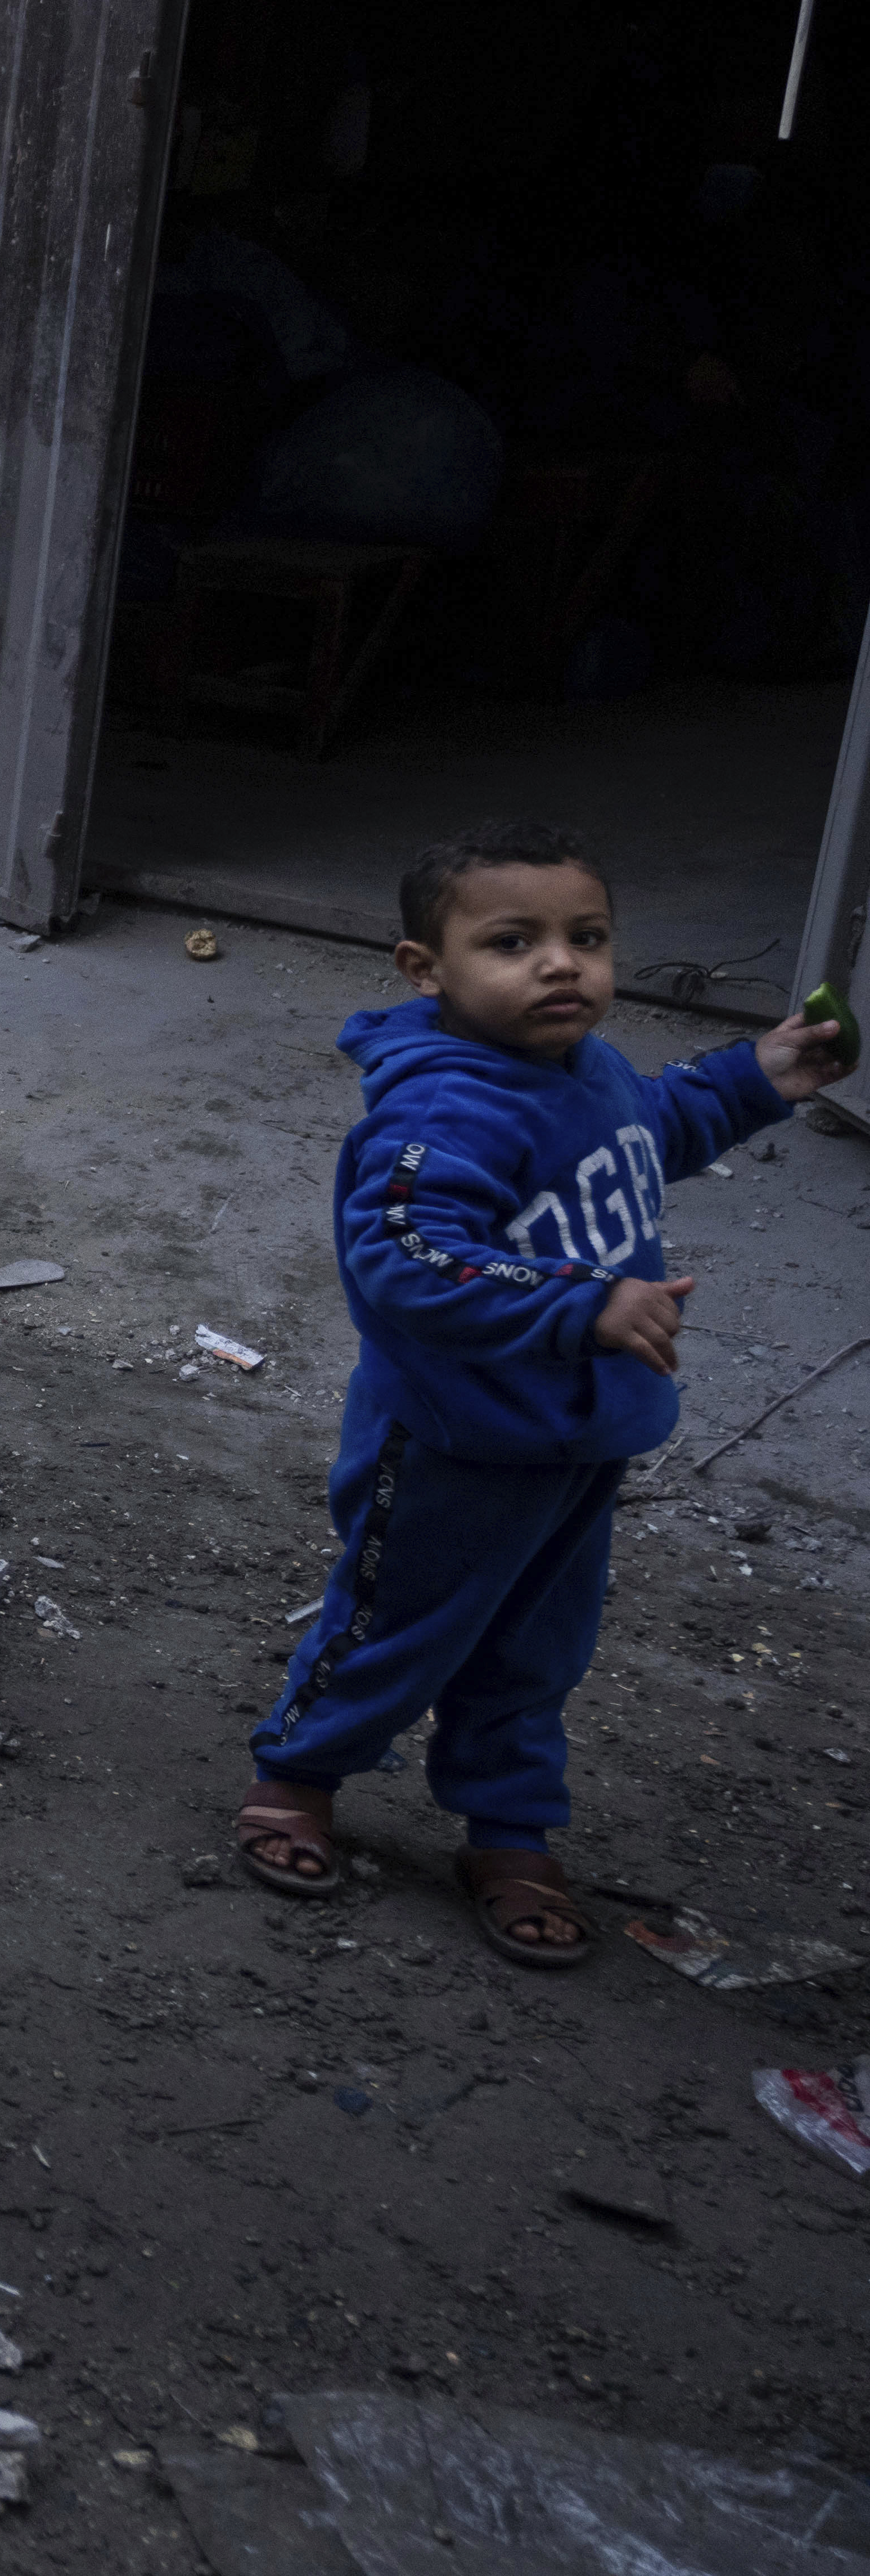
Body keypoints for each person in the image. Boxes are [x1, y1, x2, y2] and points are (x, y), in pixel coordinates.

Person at [234, 828, 851, 1962]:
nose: (561, 966)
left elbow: (652, 1130)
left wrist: (756, 1080)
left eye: (587, 938)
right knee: (393, 1627)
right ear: (428, 970)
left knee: (537, 1649)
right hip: (456, 1442)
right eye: (514, 943)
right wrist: (582, 1306)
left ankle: (509, 1828)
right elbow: (407, 1256)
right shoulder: (446, 1108)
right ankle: (300, 1775)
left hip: (579, 1440)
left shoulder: (587, 1069)